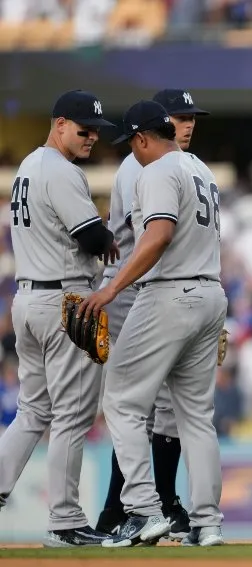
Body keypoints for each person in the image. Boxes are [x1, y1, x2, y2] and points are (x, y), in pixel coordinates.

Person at [81, 100, 227, 548]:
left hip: (169, 293)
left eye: (132, 143)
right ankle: (208, 523)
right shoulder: (201, 169)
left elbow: (159, 235)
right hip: (210, 292)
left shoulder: (157, 170)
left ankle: (144, 510)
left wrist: (111, 288)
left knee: (121, 400)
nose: (133, 152)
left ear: (143, 138)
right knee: (196, 417)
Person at [0, 89, 117, 547]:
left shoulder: (28, 166)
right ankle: (65, 520)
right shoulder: (62, 171)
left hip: (28, 299)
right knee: (72, 412)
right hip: (64, 301)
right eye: (85, 130)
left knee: (33, 410)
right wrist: (110, 234)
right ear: (60, 124)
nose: (92, 137)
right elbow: (92, 239)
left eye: (96, 131)